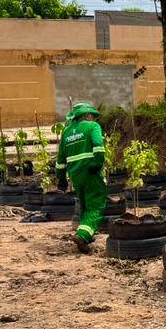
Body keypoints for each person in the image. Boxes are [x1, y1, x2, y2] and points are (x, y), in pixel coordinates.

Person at [55, 103, 106, 253]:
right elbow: (98, 146)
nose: (93, 119)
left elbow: (60, 159)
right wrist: (97, 164)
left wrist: (61, 179)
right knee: (96, 205)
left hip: (75, 175)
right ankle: (83, 235)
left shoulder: (66, 132)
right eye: (92, 116)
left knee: (84, 205)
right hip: (90, 172)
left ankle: (86, 235)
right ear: (87, 115)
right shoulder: (93, 126)